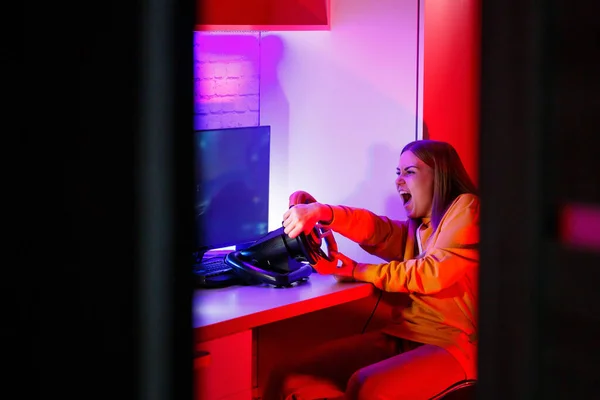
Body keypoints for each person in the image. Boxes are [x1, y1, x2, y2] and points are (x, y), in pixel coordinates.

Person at [263, 140, 480, 400]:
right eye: (397, 173)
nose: (399, 181)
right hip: (403, 336)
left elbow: (431, 273)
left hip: (453, 346)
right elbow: (374, 229)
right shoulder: (415, 229)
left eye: (409, 172)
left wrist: (357, 270)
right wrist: (321, 211)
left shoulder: (467, 208)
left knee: (367, 387)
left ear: (440, 176)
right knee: (286, 375)